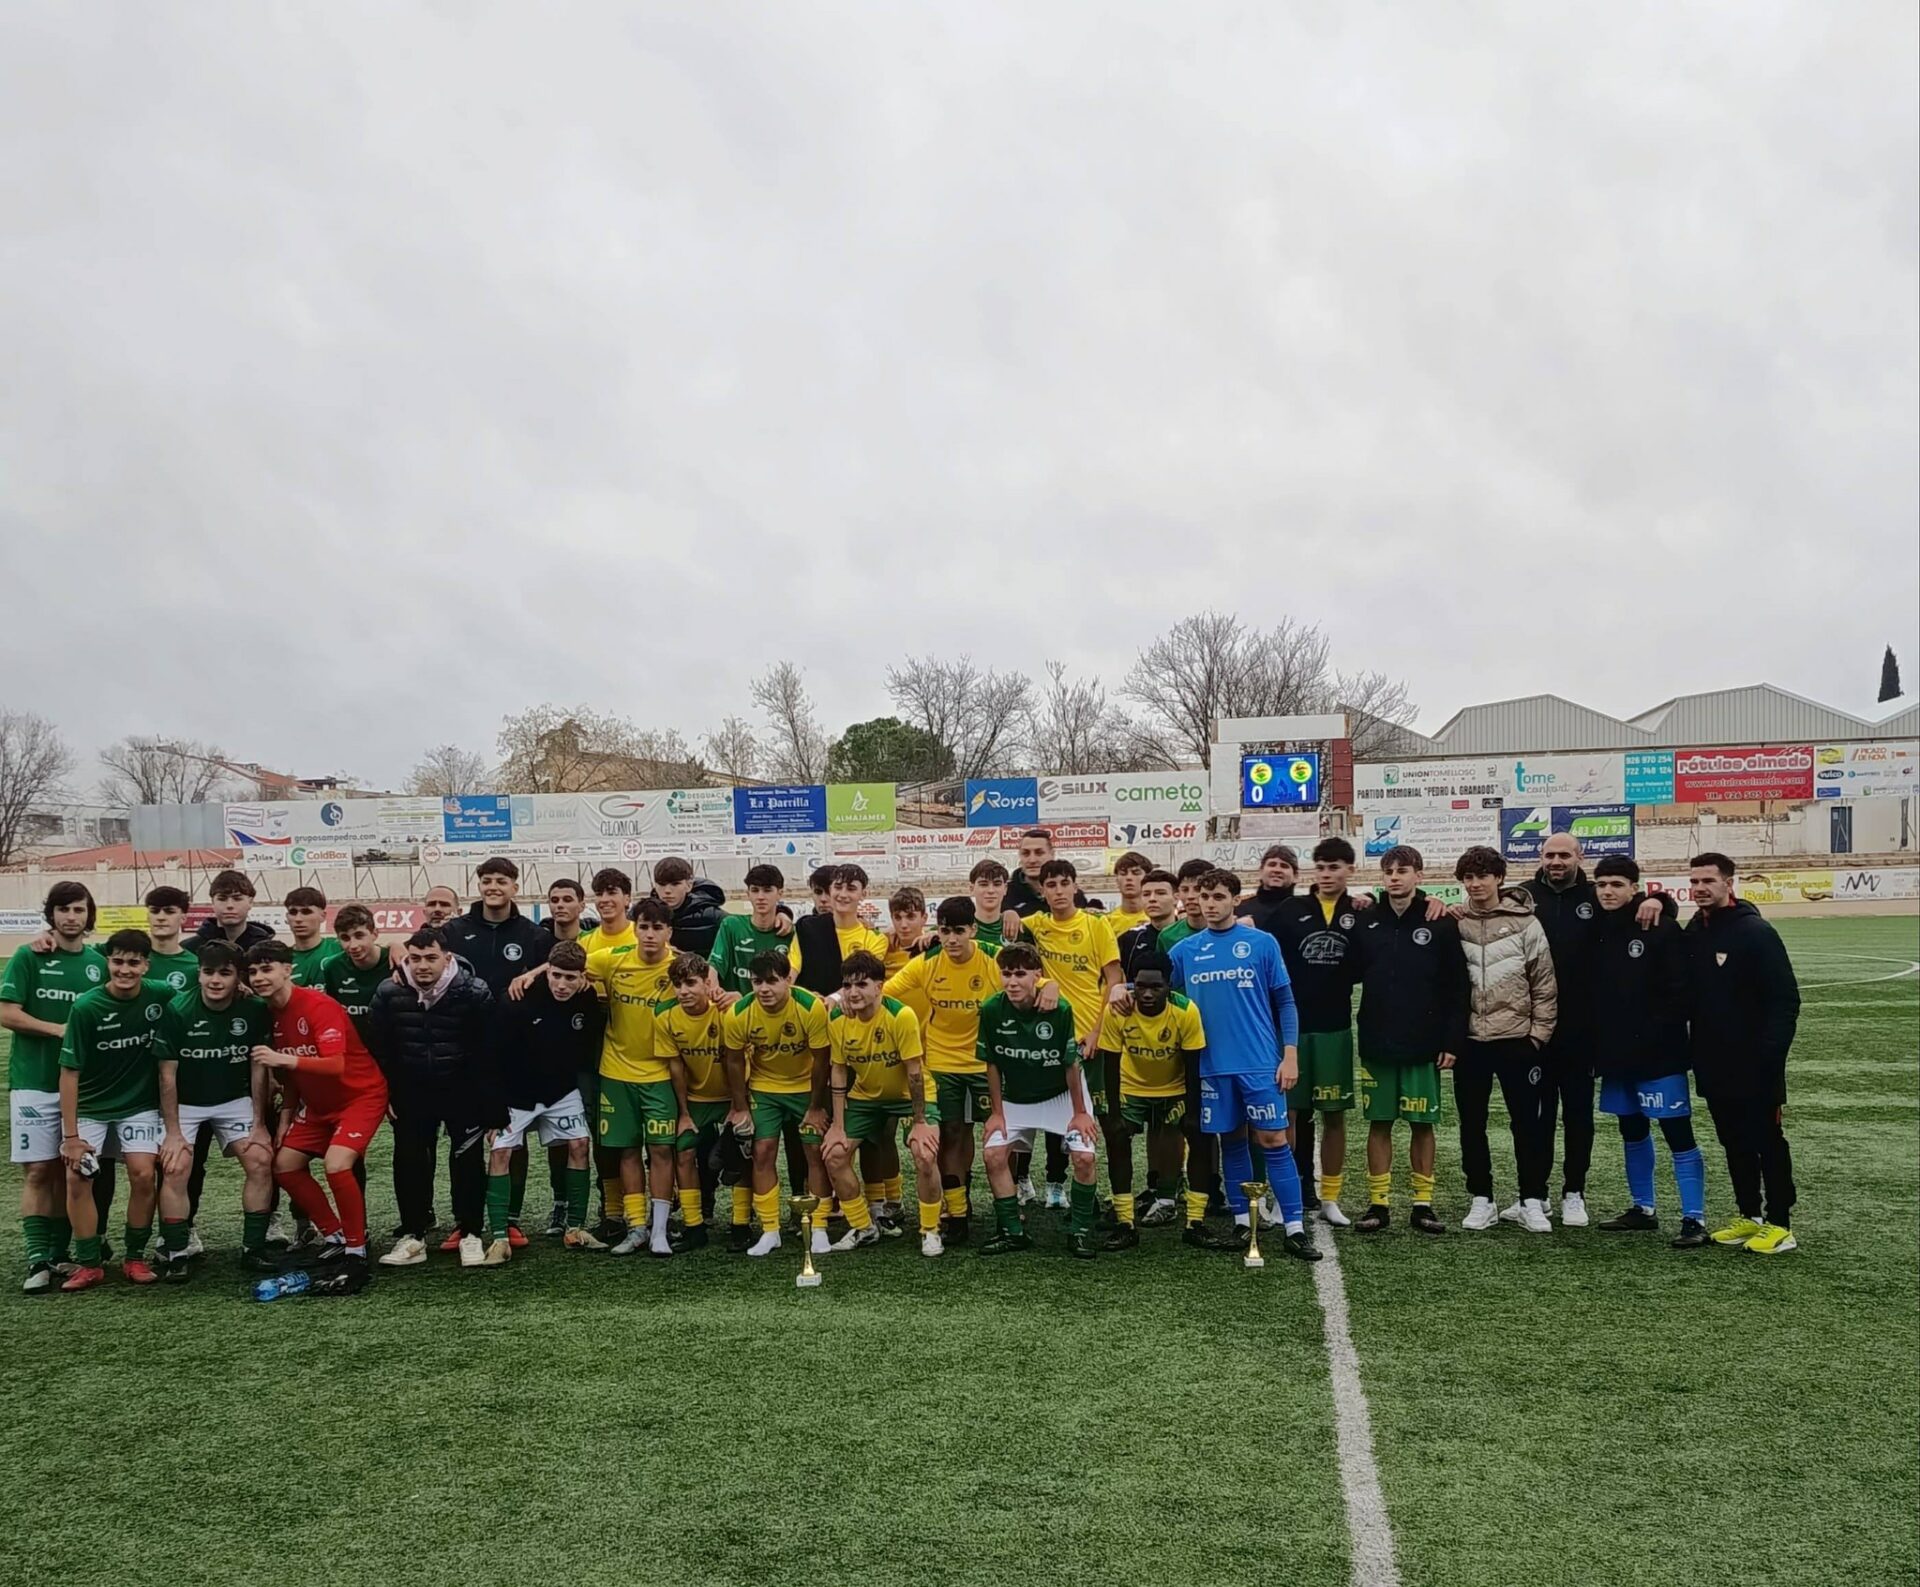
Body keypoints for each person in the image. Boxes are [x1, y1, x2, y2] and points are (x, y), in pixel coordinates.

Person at [1167, 871, 1321, 1261]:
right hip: (1212, 1067)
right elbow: (1153, 987)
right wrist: (1122, 988)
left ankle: (1294, 1227)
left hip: (1258, 1064)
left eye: (1218, 896)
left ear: (1235, 899)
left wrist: (1290, 1054)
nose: (1210, 904)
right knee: (1231, 1141)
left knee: (1273, 1141)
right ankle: (1242, 1222)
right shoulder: (1186, 951)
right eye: (1204, 896)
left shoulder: (1261, 943)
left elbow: (1285, 1002)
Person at [1519, 832, 1668, 1227]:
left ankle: (1574, 1192)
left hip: (1582, 1030)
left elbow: (1640, 904)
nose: (1556, 861)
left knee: (1578, 1115)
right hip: (1533, 1027)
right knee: (1536, 1116)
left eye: (1564, 855)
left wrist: (1660, 899)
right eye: (1550, 854)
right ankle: (1534, 1195)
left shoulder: (1595, 895)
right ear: (1540, 856)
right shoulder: (1522, 896)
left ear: (1578, 856)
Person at [247, 940, 388, 1295]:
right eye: (253, 971)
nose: (260, 977)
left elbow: (335, 1065)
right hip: (317, 1106)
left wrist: (283, 1061)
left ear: (286, 970)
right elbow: (294, 1079)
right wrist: (285, 1120)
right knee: (285, 1165)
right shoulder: (271, 1014)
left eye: (267, 969)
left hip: (360, 1096)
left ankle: (356, 1251)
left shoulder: (318, 1005)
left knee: (338, 1165)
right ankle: (336, 1235)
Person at [1683, 852, 1802, 1255]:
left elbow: (1785, 1001)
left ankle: (1781, 1223)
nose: (1700, 888)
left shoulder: (1755, 932)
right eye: (1695, 881)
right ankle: (1748, 1215)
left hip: (1756, 1065)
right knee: (1733, 1141)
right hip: (1714, 1063)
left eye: (1708, 881)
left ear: (1728, 883)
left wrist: (1770, 1057)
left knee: (1767, 1140)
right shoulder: (1695, 930)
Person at [1586, 857, 1708, 1247]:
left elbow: (1681, 994)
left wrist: (1662, 900)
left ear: (1634, 889)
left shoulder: (1659, 927)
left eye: (1616, 884)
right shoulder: (1597, 928)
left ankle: (1694, 1218)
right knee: (1631, 1130)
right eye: (1602, 883)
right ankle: (1643, 1209)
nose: (1607, 891)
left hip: (1659, 1056)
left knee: (1677, 1133)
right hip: (1615, 1057)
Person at [1349, 847, 1466, 1235]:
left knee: (1421, 1124)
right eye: (1388, 871)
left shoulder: (1440, 922)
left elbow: (1456, 987)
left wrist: (1451, 1040)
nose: (1394, 877)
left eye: (1402, 871)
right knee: (1379, 1124)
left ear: (1419, 874)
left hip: (1423, 1043)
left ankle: (1422, 1204)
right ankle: (1378, 1204)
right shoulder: (1365, 920)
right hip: (1377, 1040)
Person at [367, 928, 499, 1268]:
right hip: (411, 1089)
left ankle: (470, 1233)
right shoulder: (388, 992)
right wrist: (387, 1091)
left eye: (431, 958)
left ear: (448, 958)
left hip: (462, 1089)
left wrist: (490, 1102)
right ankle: (413, 1235)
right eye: (415, 958)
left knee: (467, 1160)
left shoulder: (473, 991)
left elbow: (489, 1050)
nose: (422, 966)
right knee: (410, 1160)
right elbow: (379, 1048)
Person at [3, 881, 106, 1292]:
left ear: (88, 915)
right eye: (63, 909)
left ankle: (62, 1255)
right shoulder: (29, 956)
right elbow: (8, 1014)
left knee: (72, 1172)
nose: (71, 917)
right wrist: (57, 1030)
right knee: (37, 1171)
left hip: (84, 1086)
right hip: (34, 1081)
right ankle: (36, 1260)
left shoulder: (99, 963)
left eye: (79, 910)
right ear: (52, 914)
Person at [884, 896, 1005, 1244]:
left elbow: (1032, 983)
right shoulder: (927, 962)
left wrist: (1050, 988)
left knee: (998, 1140)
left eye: (959, 931)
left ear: (973, 930)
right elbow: (885, 993)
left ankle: (1008, 1210)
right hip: (942, 1064)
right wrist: (834, 1000)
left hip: (986, 1064)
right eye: (945, 931)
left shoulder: (993, 960)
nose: (952, 939)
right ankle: (958, 1213)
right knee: (952, 1134)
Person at [55, 928, 168, 1291]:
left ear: (146, 966)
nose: (125, 969)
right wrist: (70, 1136)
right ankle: (89, 1263)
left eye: (133, 962)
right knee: (78, 1176)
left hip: (138, 1105)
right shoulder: (86, 1007)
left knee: (143, 1174)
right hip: (90, 1107)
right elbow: (69, 1072)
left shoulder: (161, 994)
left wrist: (242, 988)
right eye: (118, 961)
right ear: (108, 962)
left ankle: (135, 1257)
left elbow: (201, 996)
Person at [1453, 847, 1558, 1234]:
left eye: (1482, 876)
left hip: (1517, 1040)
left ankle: (1532, 1199)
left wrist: (1538, 1036)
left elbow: (1544, 983)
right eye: (1468, 877)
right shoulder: (1457, 922)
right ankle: (1482, 1198)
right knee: (1471, 1123)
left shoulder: (1526, 923)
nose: (1475, 884)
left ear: (1499, 878)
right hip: (1470, 1042)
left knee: (1526, 1124)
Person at [154, 941, 275, 1275]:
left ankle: (254, 1248)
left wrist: (259, 1123)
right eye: (208, 972)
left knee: (261, 1160)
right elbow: (167, 1076)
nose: (216, 980)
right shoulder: (179, 1010)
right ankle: (176, 1252)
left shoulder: (253, 1009)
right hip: (185, 1104)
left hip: (233, 1100)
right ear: (199, 973)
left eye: (225, 973)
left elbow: (258, 1068)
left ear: (239, 977)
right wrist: (175, 1133)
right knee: (176, 1165)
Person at [976, 944, 1102, 1258]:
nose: (1012, 982)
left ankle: (1081, 1232)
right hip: (1016, 1097)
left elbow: (1070, 1063)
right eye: (1007, 974)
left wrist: (1080, 1112)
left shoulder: (1059, 1009)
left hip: (1060, 1094)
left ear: (1037, 976)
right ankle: (1012, 1232)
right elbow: (991, 1063)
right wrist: (996, 1113)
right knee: (993, 1154)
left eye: (1020, 974)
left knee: (1084, 1158)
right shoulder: (991, 1009)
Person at [1266, 838, 1365, 1226]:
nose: (1327, 874)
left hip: (1336, 1028)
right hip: (1291, 1031)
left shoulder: (1359, 912)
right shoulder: (1291, 911)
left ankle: (1331, 1198)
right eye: (1321, 867)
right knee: (1288, 1115)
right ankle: (1283, 1196)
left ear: (1349, 871)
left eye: (1335, 867)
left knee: (1334, 1116)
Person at [486, 940, 605, 1257]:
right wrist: (493, 1107)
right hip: (517, 1091)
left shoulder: (587, 998)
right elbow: (494, 1055)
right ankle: (499, 1238)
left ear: (582, 977)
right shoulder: (518, 998)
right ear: (546, 972)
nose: (562, 984)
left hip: (560, 1090)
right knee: (501, 1152)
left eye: (570, 977)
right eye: (556, 976)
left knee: (580, 1144)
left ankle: (575, 1228)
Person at [819, 951, 943, 1256]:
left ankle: (930, 1230)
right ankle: (864, 1226)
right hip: (865, 1097)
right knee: (834, 1154)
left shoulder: (900, 1015)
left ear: (880, 986)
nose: (853, 992)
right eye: (847, 986)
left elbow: (914, 1070)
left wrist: (919, 1122)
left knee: (924, 1154)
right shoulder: (837, 1019)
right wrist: (837, 1126)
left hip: (910, 1096)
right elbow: (837, 1069)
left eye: (862, 984)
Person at [1016, 857, 1123, 1209]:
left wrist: (1096, 1032)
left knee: (1095, 1118)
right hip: (1050, 1037)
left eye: (1064, 883)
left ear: (1075, 886)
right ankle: (1055, 1184)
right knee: (1054, 1113)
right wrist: (1010, 914)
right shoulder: (1037, 924)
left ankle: (1103, 1193)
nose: (1059, 891)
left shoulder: (1096, 925)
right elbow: (995, 927)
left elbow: (1113, 981)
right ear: (1042, 891)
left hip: (1091, 1038)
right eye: (1051, 885)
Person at [1117, 867, 1219, 1234]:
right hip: (1147, 1050)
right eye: (1148, 893)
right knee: (1152, 1127)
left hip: (1193, 1040)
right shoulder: (1135, 938)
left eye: (1163, 892)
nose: (1153, 899)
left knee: (1195, 1124)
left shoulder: (1194, 939)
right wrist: (1118, 992)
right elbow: (1122, 982)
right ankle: (1157, 1190)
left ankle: (1207, 1192)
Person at [721, 950, 833, 1258]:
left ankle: (819, 1226)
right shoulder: (739, 1013)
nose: (764, 989)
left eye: (772, 981)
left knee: (814, 1152)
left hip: (804, 1089)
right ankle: (771, 1231)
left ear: (788, 980)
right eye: (757, 982)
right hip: (765, 1089)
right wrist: (741, 1106)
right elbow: (732, 1061)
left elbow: (822, 1059)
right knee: (762, 1152)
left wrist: (815, 1106)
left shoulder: (810, 1008)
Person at [1095, 957, 1203, 1251]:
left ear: (1169, 986)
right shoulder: (1118, 1010)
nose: (1146, 994)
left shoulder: (1186, 1011)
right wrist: (1114, 1114)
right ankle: (1125, 1222)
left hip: (1173, 1088)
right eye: (1140, 986)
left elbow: (1194, 1065)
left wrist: (1192, 1113)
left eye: (1156, 987)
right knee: (1116, 1138)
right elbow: (1110, 1062)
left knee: (1192, 1133)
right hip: (1133, 1088)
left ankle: (1195, 1222)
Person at [651, 952, 739, 1251]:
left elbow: (737, 1063)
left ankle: (741, 1224)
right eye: (678, 984)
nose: (684, 991)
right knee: (684, 1153)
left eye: (690, 983)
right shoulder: (665, 1016)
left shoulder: (727, 1011)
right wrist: (684, 1113)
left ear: (706, 983)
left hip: (732, 1096)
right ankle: (694, 1226)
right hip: (696, 1100)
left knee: (745, 1152)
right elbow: (676, 1068)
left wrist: (737, 1109)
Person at [440, 857, 552, 997]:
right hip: (465, 1015)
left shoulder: (535, 935)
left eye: (501, 882)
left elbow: (554, 967)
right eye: (486, 882)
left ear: (514, 889)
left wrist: (532, 974)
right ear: (479, 887)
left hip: (514, 1016)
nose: (493, 887)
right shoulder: (452, 931)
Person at [710, 865, 794, 994]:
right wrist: (714, 993)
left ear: (780, 894)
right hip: (736, 1010)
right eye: (755, 890)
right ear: (748, 894)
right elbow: (714, 965)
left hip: (775, 1009)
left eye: (767, 890)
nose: (760, 897)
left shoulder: (790, 932)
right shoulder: (731, 925)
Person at [318, 905, 391, 1042]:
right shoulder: (333, 968)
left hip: (391, 1049)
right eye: (345, 938)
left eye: (359, 936)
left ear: (375, 934)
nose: (353, 945)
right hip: (355, 1051)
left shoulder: (394, 961)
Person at [650, 856, 729, 959]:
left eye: (675, 884)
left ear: (689, 885)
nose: (667, 890)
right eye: (662, 884)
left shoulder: (713, 917)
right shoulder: (640, 915)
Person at [188, 870, 276, 951]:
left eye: (237, 899)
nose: (230, 905)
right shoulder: (190, 949)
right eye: (222, 899)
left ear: (250, 902)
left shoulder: (268, 949)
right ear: (212, 903)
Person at [143, 886, 201, 993]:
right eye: (154, 911)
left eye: (169, 911)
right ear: (147, 917)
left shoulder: (195, 966)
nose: (161, 917)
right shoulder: (131, 961)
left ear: (183, 918)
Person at [284, 886, 344, 986]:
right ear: (287, 917)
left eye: (306, 912)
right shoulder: (282, 959)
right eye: (293, 912)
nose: (298, 919)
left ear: (323, 916)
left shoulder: (340, 948)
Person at [1235, 845, 1299, 937]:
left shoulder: (1304, 910)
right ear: (1260, 871)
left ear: (1296, 876)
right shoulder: (1240, 909)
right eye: (1272, 864)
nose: (1277, 870)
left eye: (1284, 866)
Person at [1159, 858, 1215, 951]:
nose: (1190, 896)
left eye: (1197, 889)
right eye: (1185, 890)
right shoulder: (1167, 936)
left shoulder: (1232, 933)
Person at [967, 859, 1013, 948]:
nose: (991, 890)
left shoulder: (1017, 928)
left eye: (997, 884)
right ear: (971, 889)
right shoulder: (959, 928)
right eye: (983, 884)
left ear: (1005, 889)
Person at [1106, 851, 1153, 936]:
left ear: (1148, 878)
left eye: (1136, 873)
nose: (1129, 878)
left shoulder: (1157, 918)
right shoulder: (1107, 922)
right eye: (1123, 874)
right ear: (1116, 880)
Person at [545, 877, 588, 944]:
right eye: (554, 900)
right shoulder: (538, 944)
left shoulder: (594, 942)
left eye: (567, 900)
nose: (560, 905)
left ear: (582, 906)